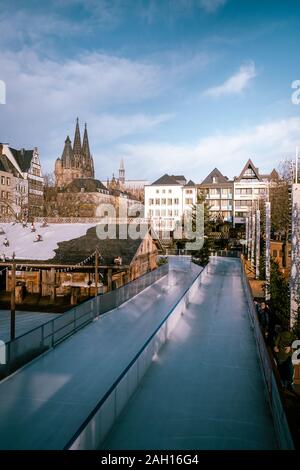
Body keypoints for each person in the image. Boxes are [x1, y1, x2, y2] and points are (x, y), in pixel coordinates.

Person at [274, 326, 295, 393]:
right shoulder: (291, 335)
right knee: (287, 369)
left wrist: (275, 347)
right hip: (286, 356)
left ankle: (285, 384)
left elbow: (276, 345)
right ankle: (287, 384)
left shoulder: (280, 335)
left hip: (283, 356)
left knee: (284, 369)